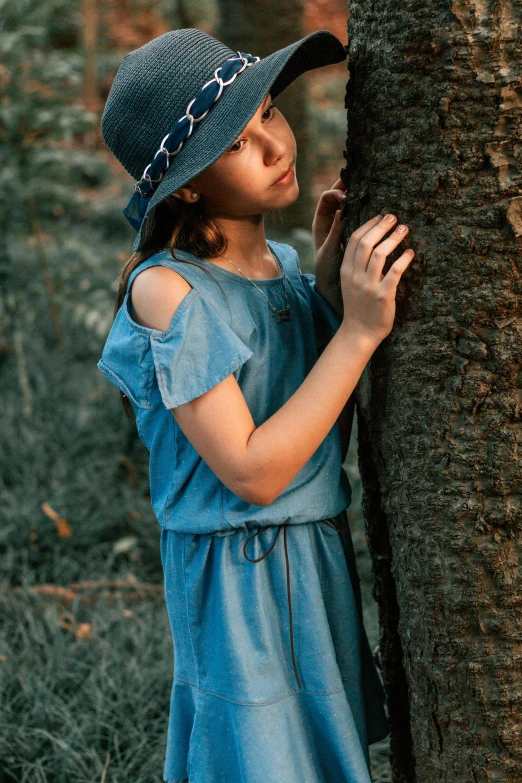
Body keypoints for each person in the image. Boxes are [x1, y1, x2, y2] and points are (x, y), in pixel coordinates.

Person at [96, 26, 415, 783]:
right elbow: (252, 470)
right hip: (237, 581)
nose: (277, 144)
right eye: (240, 140)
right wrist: (361, 333)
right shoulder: (167, 290)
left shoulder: (283, 267)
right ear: (189, 182)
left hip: (315, 562)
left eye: (269, 110)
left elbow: (311, 422)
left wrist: (328, 293)